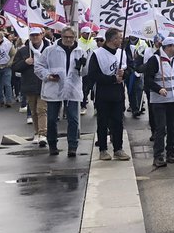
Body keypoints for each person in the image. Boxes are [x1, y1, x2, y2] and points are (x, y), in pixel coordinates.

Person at [36, 26, 86, 158]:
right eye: (66, 37)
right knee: (52, 119)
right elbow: (39, 66)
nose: (68, 40)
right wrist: (48, 75)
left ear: (75, 38)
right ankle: (52, 144)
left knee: (73, 119)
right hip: (54, 88)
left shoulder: (81, 51)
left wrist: (82, 66)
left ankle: (72, 146)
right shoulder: (50, 50)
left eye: (71, 37)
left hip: (72, 89)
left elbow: (85, 73)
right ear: (61, 37)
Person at [88, 27, 130, 161]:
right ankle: (103, 149)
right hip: (103, 93)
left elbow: (129, 69)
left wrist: (124, 75)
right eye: (119, 38)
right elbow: (93, 75)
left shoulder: (121, 53)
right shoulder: (97, 54)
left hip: (118, 93)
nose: (121, 40)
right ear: (112, 39)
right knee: (103, 121)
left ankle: (118, 148)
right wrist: (112, 79)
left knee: (118, 121)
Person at [143, 36, 174, 168]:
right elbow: (148, 80)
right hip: (159, 100)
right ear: (167, 47)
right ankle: (158, 156)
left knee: (172, 128)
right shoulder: (155, 60)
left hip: (173, 99)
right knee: (161, 128)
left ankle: (170, 152)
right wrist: (158, 89)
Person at [11, 27, 49, 146]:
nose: (35, 37)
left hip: (45, 84)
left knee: (41, 109)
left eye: (37, 35)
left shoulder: (48, 49)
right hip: (29, 84)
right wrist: (25, 62)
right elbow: (15, 66)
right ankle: (37, 132)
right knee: (33, 111)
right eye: (32, 35)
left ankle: (43, 134)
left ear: (41, 35)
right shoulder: (23, 51)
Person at [77, 25, 97, 114]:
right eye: (87, 33)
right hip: (82, 70)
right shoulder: (78, 42)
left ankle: (96, 106)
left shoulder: (94, 43)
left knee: (94, 89)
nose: (89, 35)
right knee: (84, 89)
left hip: (93, 70)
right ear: (82, 33)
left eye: (90, 33)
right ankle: (83, 104)